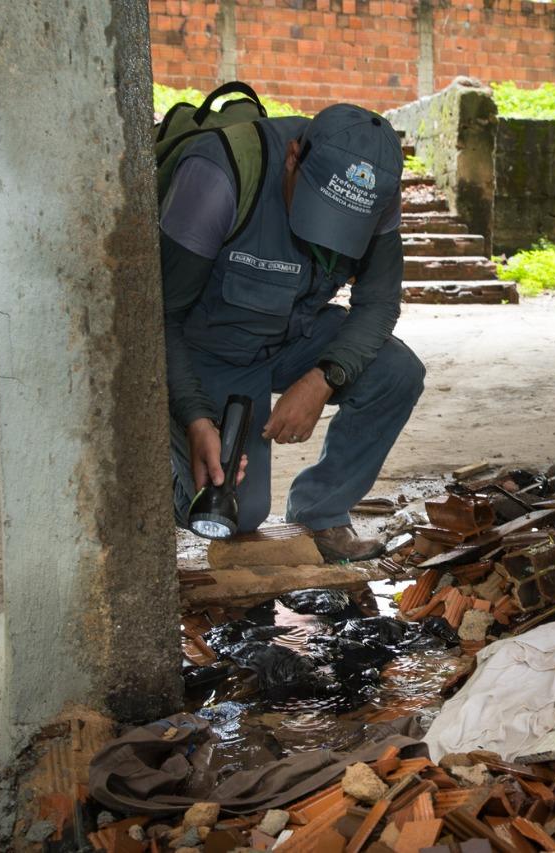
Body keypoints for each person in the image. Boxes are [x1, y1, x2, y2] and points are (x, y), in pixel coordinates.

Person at [158, 103, 424, 561]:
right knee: (235, 514)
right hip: (211, 350)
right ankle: (165, 467)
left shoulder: (377, 193)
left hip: (296, 335)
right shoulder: (218, 177)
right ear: (294, 157)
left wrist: (324, 377)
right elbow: (161, 319)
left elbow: (378, 303)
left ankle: (320, 513)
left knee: (397, 372)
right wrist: (195, 417)